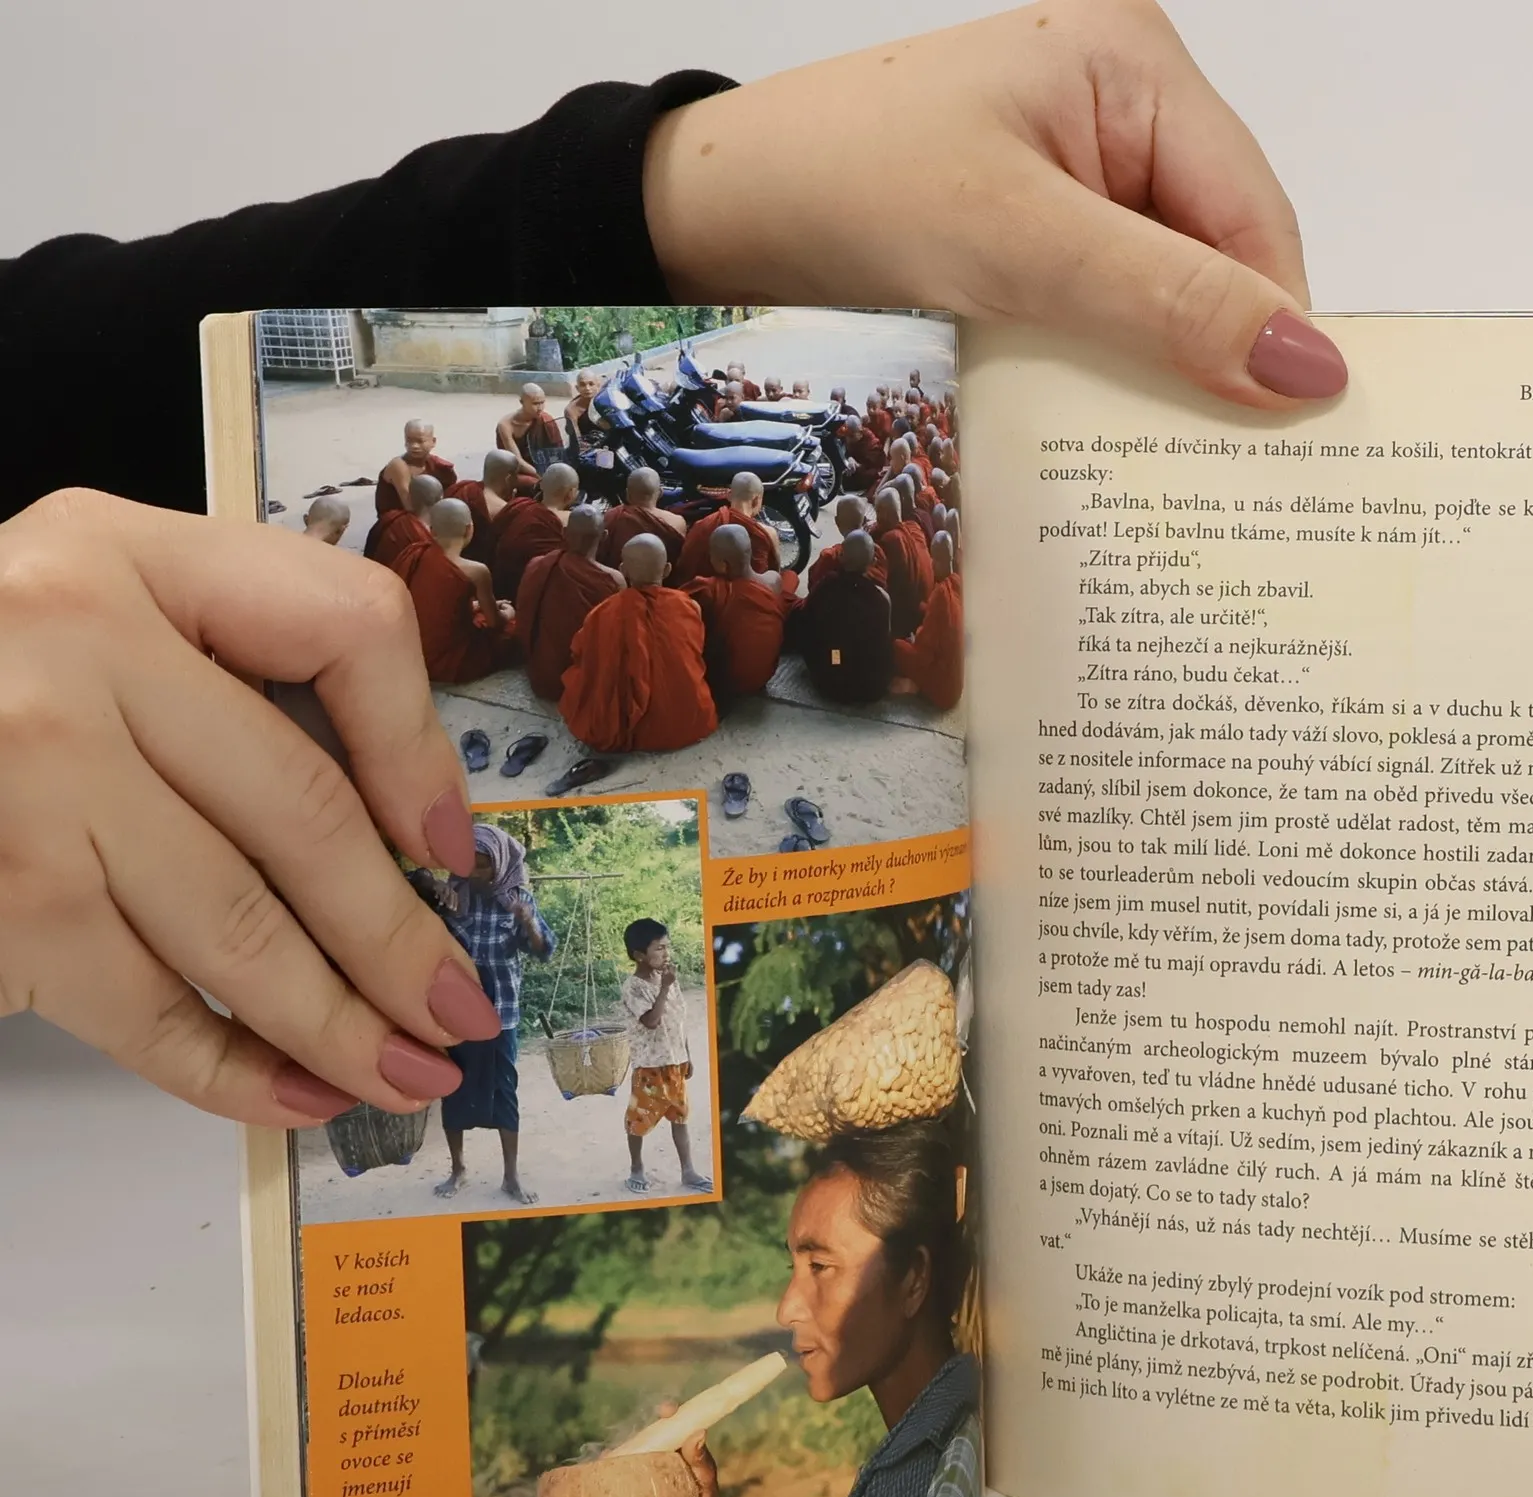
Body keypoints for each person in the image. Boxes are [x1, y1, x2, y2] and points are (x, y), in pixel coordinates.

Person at [0, 2, 1343, 1126]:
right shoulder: (737, 574)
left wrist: (677, 193)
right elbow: (699, 639)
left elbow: (59, 365)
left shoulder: (579, 561)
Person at [665, 1114, 980, 1497]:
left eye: (820, 1266)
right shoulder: (910, 1456)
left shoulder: (948, 1472)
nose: (786, 1309)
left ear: (913, 1279)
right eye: (792, 1267)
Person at [431, 822, 553, 1205]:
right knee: (453, 1089)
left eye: (483, 865)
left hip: (501, 1013)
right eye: (470, 863)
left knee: (505, 1092)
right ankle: (458, 1169)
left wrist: (527, 922)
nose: (475, 873)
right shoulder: (452, 894)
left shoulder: (518, 899)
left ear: (500, 863)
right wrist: (433, 893)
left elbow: (543, 951)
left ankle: (511, 1177)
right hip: (457, 1013)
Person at [558, 533, 717, 753]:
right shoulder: (689, 606)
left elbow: (581, 653)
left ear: (623, 570)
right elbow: (696, 649)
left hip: (623, 724)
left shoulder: (602, 613)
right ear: (667, 570)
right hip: (687, 722)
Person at [618, 917, 710, 1195]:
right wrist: (665, 987)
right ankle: (636, 1168)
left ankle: (688, 1170)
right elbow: (651, 1021)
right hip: (650, 1067)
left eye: (667, 947)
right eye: (659, 948)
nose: (666, 953)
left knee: (680, 1117)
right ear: (639, 955)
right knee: (638, 1120)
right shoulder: (634, 987)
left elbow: (678, 1020)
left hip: (674, 1063)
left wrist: (686, 1055)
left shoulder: (667, 979)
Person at [390, 497, 515, 684]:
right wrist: (508, 613)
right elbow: (494, 621)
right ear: (469, 529)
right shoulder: (477, 571)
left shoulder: (415, 554)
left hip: (411, 651)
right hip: (449, 659)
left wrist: (476, 605)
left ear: (431, 531)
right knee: (512, 633)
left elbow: (429, 602)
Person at [518, 505, 622, 702]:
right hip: (584, 680)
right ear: (604, 536)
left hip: (542, 674)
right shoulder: (614, 580)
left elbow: (524, 618)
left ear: (564, 532)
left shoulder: (538, 565)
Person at [687, 521, 793, 703]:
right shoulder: (773, 581)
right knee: (791, 578)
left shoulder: (709, 589)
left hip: (724, 681)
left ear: (723, 565)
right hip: (764, 675)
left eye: (711, 556)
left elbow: (675, 605)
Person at [794, 529, 893, 704]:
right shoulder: (881, 599)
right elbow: (882, 647)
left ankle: (837, 664)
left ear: (840, 557)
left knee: (833, 649)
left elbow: (806, 624)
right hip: (867, 686)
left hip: (829, 676)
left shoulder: (825, 587)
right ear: (873, 562)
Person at [893, 528, 963, 710]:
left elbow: (923, 653)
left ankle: (915, 687)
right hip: (957, 679)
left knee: (897, 646)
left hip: (943, 691)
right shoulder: (958, 582)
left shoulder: (941, 595)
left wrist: (914, 639)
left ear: (937, 560)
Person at [489, 461, 578, 600]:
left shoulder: (518, 506)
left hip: (499, 587)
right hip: (531, 594)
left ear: (541, 484)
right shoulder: (569, 521)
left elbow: (493, 539)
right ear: (571, 494)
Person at [671, 471, 779, 584]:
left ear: (729, 495)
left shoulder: (703, 524)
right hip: (749, 593)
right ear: (756, 500)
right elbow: (774, 572)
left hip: (704, 590)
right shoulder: (767, 533)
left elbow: (685, 567)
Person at [446, 449, 522, 571]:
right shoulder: (503, 508)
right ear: (508, 478)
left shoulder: (462, 490)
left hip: (450, 560)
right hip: (482, 569)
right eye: (517, 475)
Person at [597, 465, 686, 568]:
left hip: (620, 574)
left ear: (627, 494)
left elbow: (600, 554)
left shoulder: (612, 515)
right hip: (659, 577)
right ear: (660, 493)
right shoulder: (677, 522)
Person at [873, 487, 932, 639]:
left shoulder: (891, 540)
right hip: (924, 602)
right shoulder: (914, 527)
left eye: (877, 511)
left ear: (884, 513)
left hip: (907, 618)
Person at [373, 420, 458, 519]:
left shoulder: (440, 466)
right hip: (401, 521)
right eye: (409, 441)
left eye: (420, 441)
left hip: (430, 516)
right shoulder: (398, 466)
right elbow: (410, 506)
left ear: (433, 441)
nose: (414, 446)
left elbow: (452, 497)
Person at [807, 494, 888, 589]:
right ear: (864, 520)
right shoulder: (877, 552)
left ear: (837, 522)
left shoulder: (829, 557)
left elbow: (814, 586)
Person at [364, 470, 442, 568]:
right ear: (441, 500)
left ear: (409, 497)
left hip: (376, 572)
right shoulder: (425, 539)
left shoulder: (389, 518)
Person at [496, 382, 564, 492]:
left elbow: (558, 451)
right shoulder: (506, 425)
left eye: (542, 402)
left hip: (544, 466)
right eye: (535, 403)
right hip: (518, 470)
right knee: (532, 483)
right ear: (522, 402)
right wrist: (540, 475)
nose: (540, 408)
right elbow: (516, 461)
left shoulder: (546, 420)